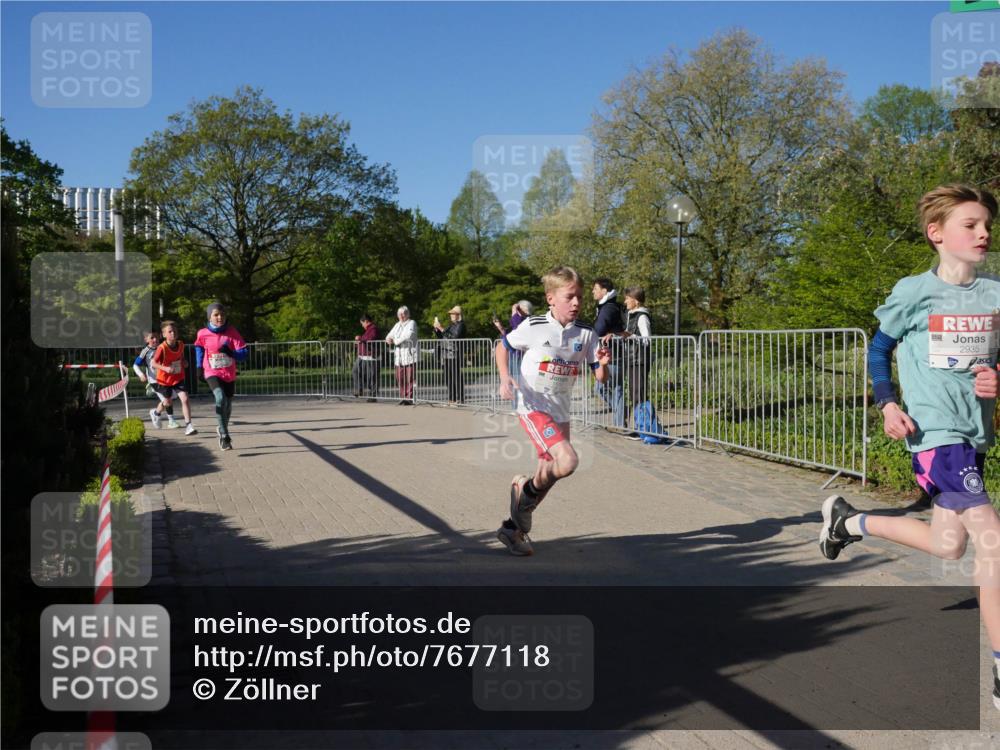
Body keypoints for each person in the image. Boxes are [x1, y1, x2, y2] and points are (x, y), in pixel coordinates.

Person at [818, 184, 1000, 709]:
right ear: (937, 233)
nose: (983, 232)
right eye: (971, 224)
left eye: (987, 224)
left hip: (974, 432)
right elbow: (879, 349)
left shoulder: (993, 295)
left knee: (950, 545)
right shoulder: (914, 291)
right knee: (989, 536)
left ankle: (848, 523)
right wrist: (887, 403)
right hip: (934, 433)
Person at [495, 266, 611, 556]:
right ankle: (525, 496)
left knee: (550, 472)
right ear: (551, 298)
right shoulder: (533, 326)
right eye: (570, 297)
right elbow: (502, 345)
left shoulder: (586, 334)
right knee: (568, 461)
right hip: (533, 406)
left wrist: (604, 365)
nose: (576, 303)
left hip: (561, 410)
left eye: (580, 298)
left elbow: (600, 378)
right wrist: (504, 377)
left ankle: (513, 528)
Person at [195, 302, 248, 451]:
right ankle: (225, 435)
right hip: (211, 371)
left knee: (228, 405)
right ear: (209, 317)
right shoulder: (202, 333)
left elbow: (244, 354)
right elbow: (198, 348)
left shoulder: (232, 332)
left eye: (222, 314)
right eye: (216, 314)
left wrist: (232, 352)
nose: (220, 317)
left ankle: (221, 427)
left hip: (228, 373)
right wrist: (199, 367)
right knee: (220, 398)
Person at [616, 287, 655, 440]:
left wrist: (630, 336)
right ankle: (641, 427)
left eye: (627, 298)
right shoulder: (631, 315)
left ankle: (643, 428)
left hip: (639, 360)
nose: (625, 301)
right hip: (632, 359)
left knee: (639, 394)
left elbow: (647, 339)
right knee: (635, 394)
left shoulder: (642, 317)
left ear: (636, 300)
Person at [151, 320, 196, 435]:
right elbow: (153, 363)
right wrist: (165, 368)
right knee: (167, 402)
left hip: (178, 377)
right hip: (164, 380)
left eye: (174, 331)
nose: (173, 333)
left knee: (185, 398)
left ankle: (189, 426)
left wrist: (184, 362)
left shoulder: (181, 344)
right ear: (164, 334)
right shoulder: (162, 348)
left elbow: (180, 357)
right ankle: (156, 413)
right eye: (170, 331)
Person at [592, 277, 626, 427]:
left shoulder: (608, 308)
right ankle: (620, 418)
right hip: (612, 353)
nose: (593, 291)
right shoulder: (609, 306)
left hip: (613, 354)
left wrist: (587, 336)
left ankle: (620, 421)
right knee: (611, 389)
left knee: (603, 388)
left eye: (595, 288)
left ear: (604, 291)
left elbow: (599, 329)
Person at [492, 301, 534, 410]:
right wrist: (500, 327)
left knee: (517, 381)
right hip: (513, 355)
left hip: (519, 356)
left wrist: (514, 312)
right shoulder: (520, 320)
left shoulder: (525, 321)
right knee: (512, 380)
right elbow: (509, 336)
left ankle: (519, 407)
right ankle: (515, 407)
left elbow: (516, 326)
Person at [135, 329, 177, 427]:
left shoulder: (163, 347)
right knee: (167, 400)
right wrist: (141, 375)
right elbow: (135, 365)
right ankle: (171, 421)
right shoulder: (145, 351)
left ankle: (156, 413)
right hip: (155, 380)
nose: (155, 339)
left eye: (157, 337)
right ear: (146, 340)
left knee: (170, 399)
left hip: (166, 378)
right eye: (152, 338)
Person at [433, 305, 467, 404]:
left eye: (453, 314)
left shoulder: (461, 325)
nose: (451, 315)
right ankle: (451, 399)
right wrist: (437, 329)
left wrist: (441, 328)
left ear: (458, 315)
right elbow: (442, 337)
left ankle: (460, 398)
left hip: (454, 353)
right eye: (451, 314)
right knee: (448, 377)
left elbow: (454, 337)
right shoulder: (451, 325)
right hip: (446, 353)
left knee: (456, 377)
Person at [386, 306, 418, 405]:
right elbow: (389, 335)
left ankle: (410, 398)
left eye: (403, 313)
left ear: (408, 314)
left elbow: (408, 335)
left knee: (410, 378)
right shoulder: (397, 324)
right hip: (399, 357)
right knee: (400, 378)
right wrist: (389, 339)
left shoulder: (412, 322)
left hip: (409, 355)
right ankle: (403, 397)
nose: (401, 315)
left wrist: (396, 341)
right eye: (399, 314)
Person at [353, 314, 380, 402]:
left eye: (362, 323)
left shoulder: (373, 328)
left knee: (371, 377)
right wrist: (359, 342)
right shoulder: (368, 330)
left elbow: (370, 338)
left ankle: (372, 396)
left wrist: (360, 338)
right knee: (356, 371)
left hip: (370, 356)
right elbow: (365, 339)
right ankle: (359, 389)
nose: (362, 325)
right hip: (362, 356)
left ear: (366, 321)